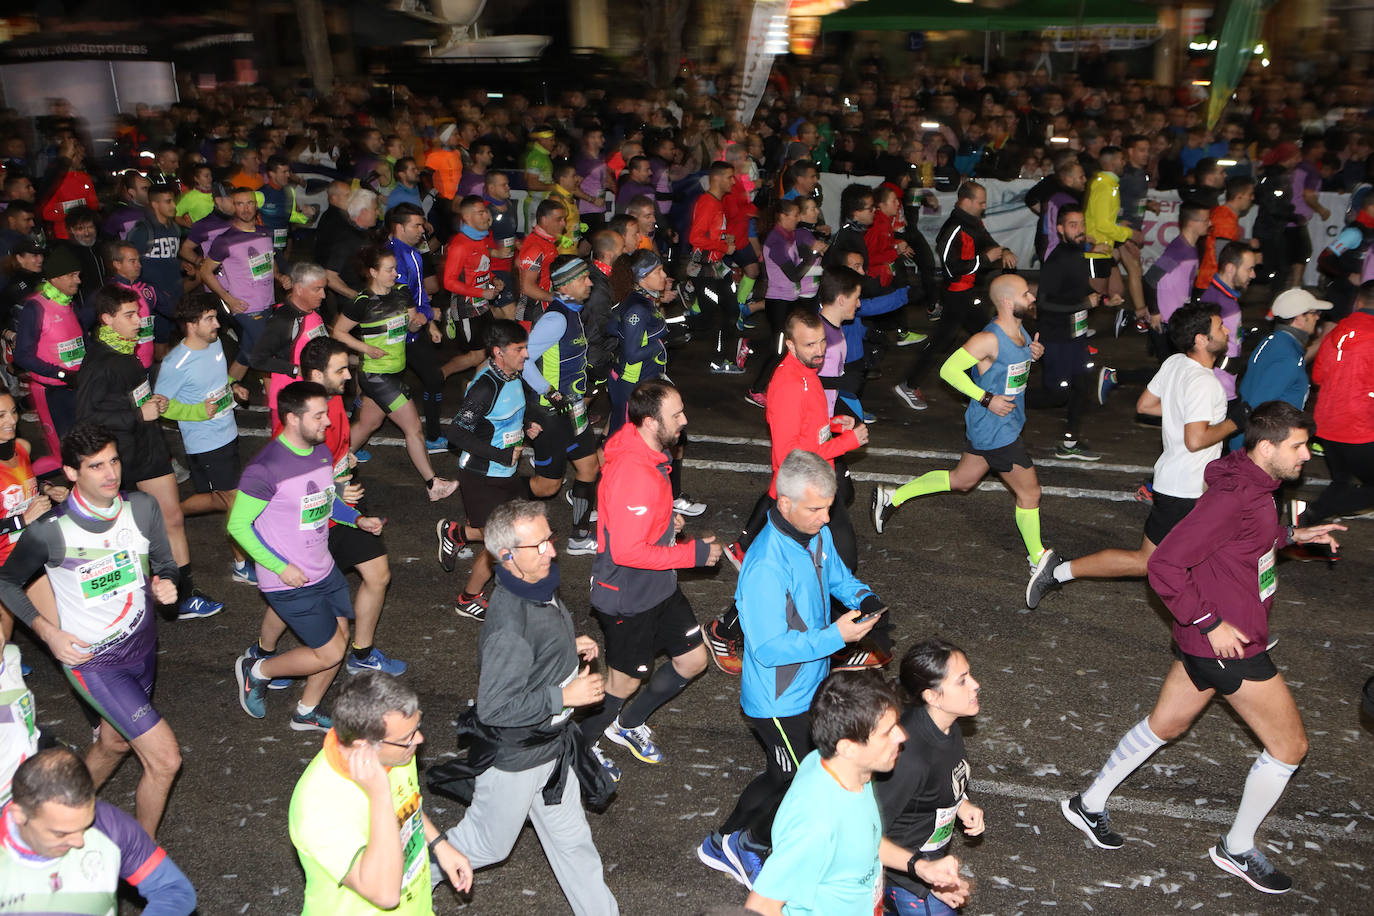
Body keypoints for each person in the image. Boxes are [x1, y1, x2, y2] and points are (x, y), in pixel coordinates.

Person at [1061, 401, 1344, 896]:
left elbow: (1248, 537)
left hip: (1204, 642)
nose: (1306, 455)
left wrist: (1294, 535)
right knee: (1289, 746)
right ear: (1266, 446)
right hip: (1225, 643)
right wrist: (1209, 622)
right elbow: (1164, 565)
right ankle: (1236, 847)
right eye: (1298, 446)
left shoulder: (1257, 485)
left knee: (1166, 725)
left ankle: (1088, 803)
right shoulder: (1233, 496)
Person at [698, 450, 887, 888]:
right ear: (784, 505)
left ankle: (723, 841)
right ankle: (746, 844)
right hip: (778, 699)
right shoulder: (766, 564)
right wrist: (837, 637)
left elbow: (837, 576)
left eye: (828, 507)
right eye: (816, 509)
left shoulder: (813, 535)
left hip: (810, 684)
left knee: (787, 774)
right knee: (799, 778)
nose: (826, 519)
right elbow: (766, 650)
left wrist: (864, 597)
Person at [439, 498, 620, 916]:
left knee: (574, 845)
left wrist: (566, 651)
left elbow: (538, 651)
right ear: (506, 556)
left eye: (550, 540)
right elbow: (495, 708)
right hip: (516, 761)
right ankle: (389, 882)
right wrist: (564, 696)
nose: (552, 552)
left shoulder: (536, 587)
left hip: (551, 752)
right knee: (484, 846)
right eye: (538, 546)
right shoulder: (509, 627)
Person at [0, 423, 182, 838]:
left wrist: (166, 582)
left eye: (113, 461)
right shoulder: (51, 531)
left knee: (115, 743)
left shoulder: (142, 508)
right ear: (70, 472)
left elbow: (165, 562)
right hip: (95, 662)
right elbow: (6, 581)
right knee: (165, 759)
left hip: (142, 649)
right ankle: (143, 856)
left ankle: (45, 812)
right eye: (95, 465)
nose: (110, 473)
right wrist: (48, 633)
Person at [1027, 303, 1243, 609]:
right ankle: (1232, 629)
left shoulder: (1176, 363)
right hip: (1188, 490)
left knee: (1156, 560)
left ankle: (1058, 571)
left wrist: (1184, 416)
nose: (1227, 331)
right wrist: (1235, 422)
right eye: (1220, 327)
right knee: (1212, 553)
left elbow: (1145, 405)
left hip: (1177, 483)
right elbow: (1196, 440)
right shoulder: (1204, 383)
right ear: (1200, 339)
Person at [874, 274, 1056, 586]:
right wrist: (986, 398)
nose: (1032, 298)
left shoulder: (1020, 330)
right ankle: (1038, 559)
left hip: (1002, 424)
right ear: (1009, 302)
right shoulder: (988, 339)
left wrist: (1033, 353)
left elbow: (1012, 367)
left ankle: (892, 496)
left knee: (963, 480)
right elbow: (948, 370)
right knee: (1030, 492)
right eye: (1027, 294)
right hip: (995, 429)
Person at [579, 380, 721, 774]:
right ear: (647, 421)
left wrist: (664, 524)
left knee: (693, 661)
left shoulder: (647, 452)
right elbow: (626, 551)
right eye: (675, 415)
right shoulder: (633, 472)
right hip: (628, 599)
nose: (684, 420)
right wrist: (692, 553)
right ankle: (580, 749)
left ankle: (626, 724)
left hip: (660, 588)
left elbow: (635, 525)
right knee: (622, 684)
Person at [228, 381, 386, 730]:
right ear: (292, 419)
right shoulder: (265, 469)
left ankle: (306, 711)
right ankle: (257, 671)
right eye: (318, 417)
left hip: (324, 568)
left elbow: (327, 502)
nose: (327, 423)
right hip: (288, 580)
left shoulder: (320, 454)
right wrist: (279, 567)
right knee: (329, 651)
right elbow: (238, 526)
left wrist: (357, 519)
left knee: (339, 641)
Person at [743, 670, 961, 915]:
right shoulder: (814, 824)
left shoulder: (846, 769)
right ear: (848, 747)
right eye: (888, 732)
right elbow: (761, 906)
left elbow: (864, 839)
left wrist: (919, 867)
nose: (902, 736)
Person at [76, 284, 222, 621]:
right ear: (107, 319)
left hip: (149, 445)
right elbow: (85, 417)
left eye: (139, 312)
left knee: (172, 517)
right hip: (120, 456)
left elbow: (128, 397)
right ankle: (122, 600)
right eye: (130, 315)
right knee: (119, 531)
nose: (140, 320)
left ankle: (183, 595)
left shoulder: (126, 349)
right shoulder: (98, 362)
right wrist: (136, 414)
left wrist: (152, 401)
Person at [288, 672, 472, 914]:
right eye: (407, 737)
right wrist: (380, 796)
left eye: (417, 728)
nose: (418, 740)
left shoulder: (397, 753)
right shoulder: (318, 807)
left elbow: (407, 803)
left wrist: (439, 844)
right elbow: (385, 895)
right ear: (363, 746)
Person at [0, 748, 196, 914]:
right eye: (61, 833)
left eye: (85, 826)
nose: (79, 842)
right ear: (19, 815)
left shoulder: (111, 826)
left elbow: (173, 890)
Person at [333, 245, 457, 500]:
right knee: (413, 428)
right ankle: (433, 484)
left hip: (394, 372)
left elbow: (411, 327)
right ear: (373, 272)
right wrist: (366, 347)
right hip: (377, 376)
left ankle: (331, 465)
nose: (396, 274)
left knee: (368, 424)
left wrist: (421, 325)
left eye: (396, 269)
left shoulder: (402, 293)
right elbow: (338, 332)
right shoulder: (362, 302)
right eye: (390, 270)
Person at [438, 319, 538, 620]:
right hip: (481, 477)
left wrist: (527, 425)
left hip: (506, 475)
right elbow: (456, 433)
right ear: (498, 352)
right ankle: (468, 598)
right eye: (518, 349)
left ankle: (456, 534)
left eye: (525, 347)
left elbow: (504, 417)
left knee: (510, 535)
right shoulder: (485, 387)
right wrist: (500, 453)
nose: (525, 355)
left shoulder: (513, 377)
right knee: (500, 544)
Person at [877, 639, 981, 915]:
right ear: (932, 696)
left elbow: (940, 775)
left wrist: (962, 803)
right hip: (908, 879)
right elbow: (866, 835)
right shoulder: (909, 758)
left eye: (969, 674)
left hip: (927, 865)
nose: (975, 684)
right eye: (962, 681)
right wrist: (924, 875)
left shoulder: (948, 725)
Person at [154, 291, 252, 579]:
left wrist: (233, 385)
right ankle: (242, 566)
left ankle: (169, 514)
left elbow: (217, 379)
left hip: (227, 431)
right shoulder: (176, 364)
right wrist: (198, 411)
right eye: (209, 319)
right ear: (190, 325)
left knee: (216, 498)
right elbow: (160, 407)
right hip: (206, 443)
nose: (217, 324)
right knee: (235, 502)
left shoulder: (214, 343)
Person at [897, 181, 1014, 411]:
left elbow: (988, 242)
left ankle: (972, 390)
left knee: (983, 338)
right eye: (980, 202)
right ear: (966, 202)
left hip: (968, 295)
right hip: (956, 296)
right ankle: (911, 384)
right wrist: (985, 260)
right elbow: (951, 269)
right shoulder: (953, 229)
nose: (984, 206)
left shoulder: (974, 223)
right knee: (949, 341)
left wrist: (1005, 251)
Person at [522, 255, 602, 553]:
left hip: (573, 410)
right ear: (566, 284)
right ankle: (494, 498)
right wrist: (549, 390)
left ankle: (579, 536)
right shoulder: (556, 319)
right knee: (547, 486)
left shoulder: (572, 312)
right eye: (584, 278)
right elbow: (524, 358)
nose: (590, 283)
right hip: (551, 414)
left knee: (589, 467)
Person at [1300, 281, 1374, 524]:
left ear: (1358, 302)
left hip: (1327, 424)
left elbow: (1318, 376)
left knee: (1342, 481)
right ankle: (1312, 514)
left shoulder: (1336, 331)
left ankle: (1306, 523)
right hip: (1359, 427)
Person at [14, 245, 84, 475]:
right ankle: (23, 483)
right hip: (51, 392)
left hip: (76, 386)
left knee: (83, 446)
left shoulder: (67, 301)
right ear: (56, 278)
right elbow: (23, 356)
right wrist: (62, 374)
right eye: (73, 275)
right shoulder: (35, 307)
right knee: (63, 455)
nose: (79, 280)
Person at [385, 202, 449, 450]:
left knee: (433, 378)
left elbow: (419, 291)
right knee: (374, 393)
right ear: (400, 227)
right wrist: (427, 313)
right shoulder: (391, 255)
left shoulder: (413, 253)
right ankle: (349, 438)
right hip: (392, 334)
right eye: (417, 225)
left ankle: (432, 435)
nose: (423, 229)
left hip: (413, 331)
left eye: (422, 224)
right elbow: (400, 297)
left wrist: (429, 324)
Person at [199, 187, 278, 378]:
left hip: (267, 302)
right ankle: (279, 400)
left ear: (256, 205)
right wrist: (228, 299)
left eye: (249, 203)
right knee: (268, 350)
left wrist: (279, 275)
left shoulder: (265, 232)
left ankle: (227, 391)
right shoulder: (225, 240)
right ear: (233, 207)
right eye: (239, 204)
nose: (245, 209)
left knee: (248, 353)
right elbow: (205, 271)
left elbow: (270, 260)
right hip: (245, 307)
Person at [686, 161, 746, 373]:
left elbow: (708, 233)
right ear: (717, 178)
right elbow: (695, 237)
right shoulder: (708, 203)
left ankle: (719, 361)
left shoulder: (715, 202)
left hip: (716, 267)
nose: (733, 181)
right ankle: (668, 328)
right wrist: (722, 245)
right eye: (730, 177)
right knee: (709, 316)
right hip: (706, 270)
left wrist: (724, 238)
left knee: (729, 311)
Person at [1201, 242, 1259, 401]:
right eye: (1249, 269)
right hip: (1218, 392)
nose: (1253, 275)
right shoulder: (1219, 303)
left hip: (1223, 388)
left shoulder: (1224, 298)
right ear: (1230, 268)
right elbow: (1202, 347)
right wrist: (1231, 365)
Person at [515, 198, 565, 320]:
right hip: (532, 310)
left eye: (564, 219)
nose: (564, 224)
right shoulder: (535, 247)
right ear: (544, 220)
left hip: (544, 305)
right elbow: (527, 287)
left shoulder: (546, 241)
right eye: (559, 219)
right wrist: (559, 298)